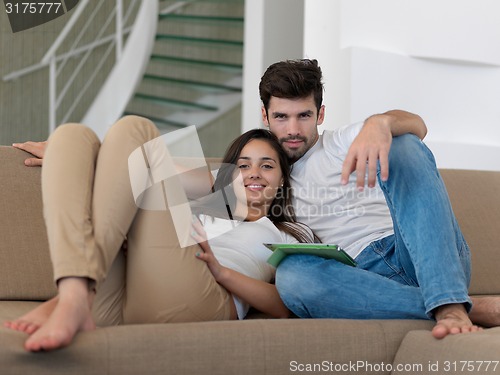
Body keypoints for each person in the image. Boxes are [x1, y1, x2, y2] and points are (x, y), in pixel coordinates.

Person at [4, 117, 317, 352]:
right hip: (121, 299)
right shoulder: (205, 204)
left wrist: (221, 273)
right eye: (243, 165)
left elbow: (284, 306)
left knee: (136, 129)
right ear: (227, 174)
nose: (253, 173)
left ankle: (71, 294)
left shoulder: (286, 234)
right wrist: (71, 156)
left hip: (201, 299)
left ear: (281, 180)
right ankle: (77, 292)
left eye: (267, 166)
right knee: (71, 136)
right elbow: (139, 170)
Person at [258, 58, 500, 339]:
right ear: (265, 116)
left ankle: (447, 299)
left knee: (403, 142)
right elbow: (209, 188)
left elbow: (417, 126)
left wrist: (380, 123)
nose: (293, 130)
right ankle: (462, 308)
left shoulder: (340, 143)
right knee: (291, 275)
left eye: (304, 116)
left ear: (320, 115)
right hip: (359, 279)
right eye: (281, 117)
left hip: (418, 252)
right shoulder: (260, 173)